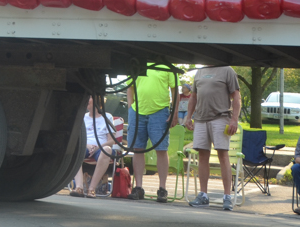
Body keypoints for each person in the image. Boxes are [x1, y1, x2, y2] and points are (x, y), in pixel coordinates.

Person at [184, 65, 241, 211]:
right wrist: (188, 117)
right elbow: (193, 97)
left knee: (223, 155)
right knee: (202, 156)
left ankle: (227, 196)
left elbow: (236, 96)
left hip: (221, 117)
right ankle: (203, 195)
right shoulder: (199, 71)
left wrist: (234, 119)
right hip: (200, 119)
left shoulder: (227, 70)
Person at [127, 63, 178, 203]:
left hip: (160, 111)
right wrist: (131, 108)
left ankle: (162, 188)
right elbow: (130, 87)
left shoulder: (167, 65)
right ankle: (138, 187)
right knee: (138, 148)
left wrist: (174, 112)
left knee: (161, 149)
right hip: (137, 111)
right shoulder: (137, 63)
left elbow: (175, 90)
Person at [71, 97, 121, 198]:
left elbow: (111, 141)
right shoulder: (83, 117)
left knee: (107, 150)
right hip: (85, 146)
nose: (86, 100)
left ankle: (92, 189)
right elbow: (76, 138)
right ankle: (79, 187)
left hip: (101, 148)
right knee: (74, 149)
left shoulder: (107, 117)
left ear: (97, 100)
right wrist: (87, 145)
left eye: (89, 97)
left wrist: (97, 147)